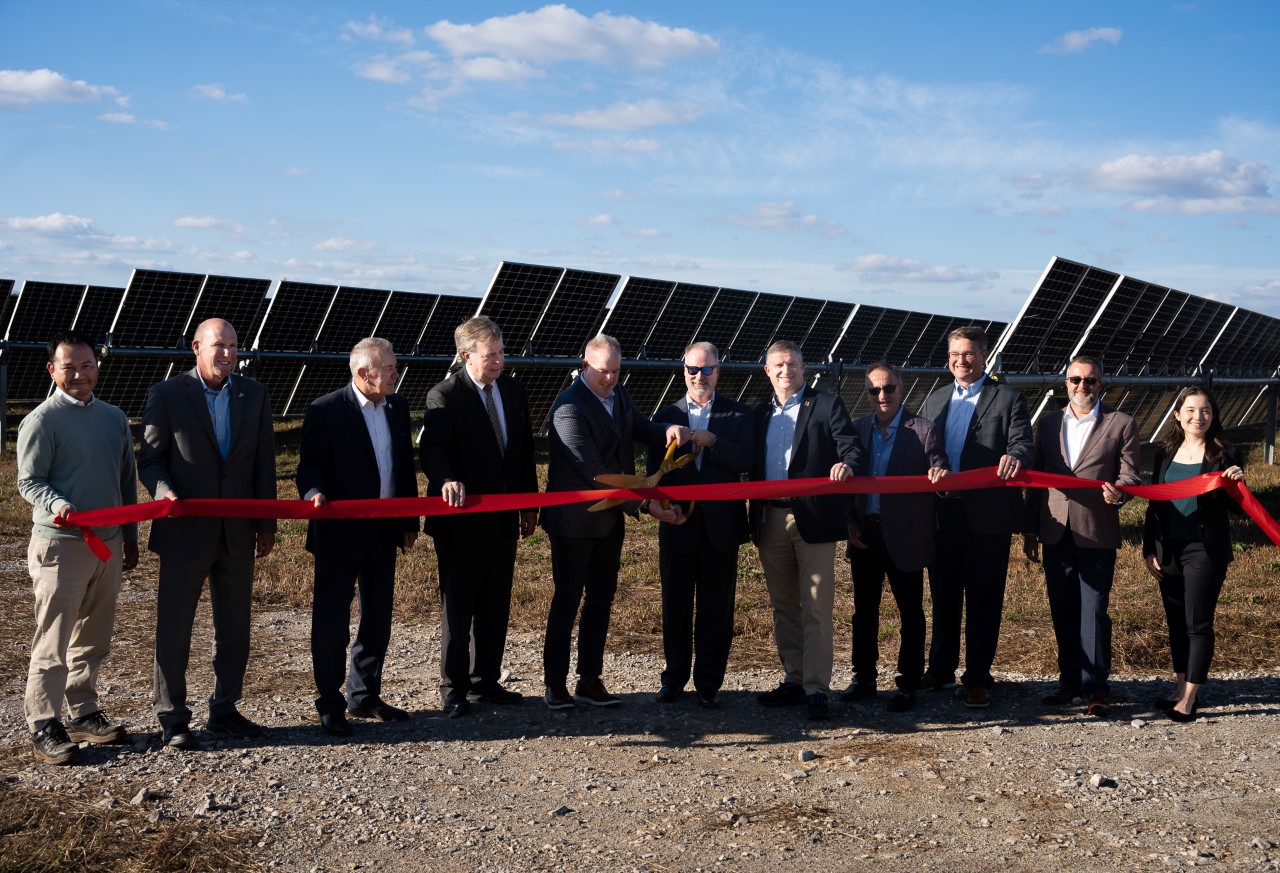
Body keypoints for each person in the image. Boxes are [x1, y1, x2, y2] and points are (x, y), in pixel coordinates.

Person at [139, 318, 276, 750]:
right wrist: (164, 491)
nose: (229, 354)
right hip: (184, 532)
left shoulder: (254, 394)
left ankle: (225, 710)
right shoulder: (167, 394)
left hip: (237, 533)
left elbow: (264, 462)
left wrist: (266, 523)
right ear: (196, 347)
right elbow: (150, 460)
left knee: (234, 628)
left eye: (234, 346)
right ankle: (172, 717)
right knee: (175, 629)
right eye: (220, 345)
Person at [540, 334, 691, 710]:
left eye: (616, 371)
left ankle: (589, 680)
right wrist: (645, 506)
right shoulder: (568, 409)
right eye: (603, 371)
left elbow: (639, 427)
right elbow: (596, 474)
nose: (610, 378)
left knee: (601, 600)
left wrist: (665, 431)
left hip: (609, 521)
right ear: (584, 366)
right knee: (567, 601)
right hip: (575, 523)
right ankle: (555, 685)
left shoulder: (617, 394)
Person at [17, 331, 140, 765]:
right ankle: (43, 722)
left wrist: (130, 536)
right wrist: (58, 504)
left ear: (97, 367)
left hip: (107, 544)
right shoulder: (41, 421)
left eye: (87, 365)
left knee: (93, 635)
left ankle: (84, 711)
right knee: (53, 637)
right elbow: (29, 481)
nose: (79, 374)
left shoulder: (113, 418)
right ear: (52, 370)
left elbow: (126, 480)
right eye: (69, 367)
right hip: (61, 546)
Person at [296, 337, 420, 737]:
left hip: (384, 529)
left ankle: (364, 694)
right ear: (364, 373)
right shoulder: (326, 410)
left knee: (378, 615)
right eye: (390, 368)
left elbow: (403, 466)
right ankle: (330, 703)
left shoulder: (397, 407)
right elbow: (309, 467)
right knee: (332, 619)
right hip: (339, 531)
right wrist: (313, 493)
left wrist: (409, 520)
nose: (396, 374)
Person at [421, 317, 538, 718]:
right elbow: (433, 449)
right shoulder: (445, 395)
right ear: (466, 356)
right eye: (491, 355)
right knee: (459, 606)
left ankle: (485, 679)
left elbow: (523, 452)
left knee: (495, 601)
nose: (499, 362)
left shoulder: (513, 390)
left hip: (504, 517)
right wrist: (445, 479)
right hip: (461, 521)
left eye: (502, 353)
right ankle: (453, 687)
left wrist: (529, 504)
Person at [917, 325, 1032, 708]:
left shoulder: (1008, 397)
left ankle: (978, 677)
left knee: (984, 598)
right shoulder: (935, 400)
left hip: (988, 515)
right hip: (942, 512)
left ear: (984, 355)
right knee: (943, 595)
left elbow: (1022, 442)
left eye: (968, 354)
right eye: (954, 354)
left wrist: (1015, 456)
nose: (960, 361)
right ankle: (940, 669)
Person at [751, 339, 862, 721]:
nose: (787, 371)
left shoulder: (827, 405)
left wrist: (847, 465)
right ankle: (794, 680)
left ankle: (816, 688)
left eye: (793, 364)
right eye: (779, 365)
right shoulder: (759, 413)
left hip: (814, 519)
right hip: (769, 518)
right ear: (767, 370)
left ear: (804, 367)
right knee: (783, 605)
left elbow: (852, 448)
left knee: (816, 607)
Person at [1023, 357, 1140, 718]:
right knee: (1062, 609)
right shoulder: (1047, 424)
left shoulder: (1121, 423)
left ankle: (1096, 687)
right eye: (1075, 379)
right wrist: (1030, 528)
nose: (1082, 386)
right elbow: (1035, 478)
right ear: (1066, 383)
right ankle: (1069, 681)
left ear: (1100, 384)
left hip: (1096, 530)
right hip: (1055, 529)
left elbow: (1131, 475)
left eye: (1090, 380)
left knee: (1094, 611)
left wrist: (1120, 493)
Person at [646, 342, 753, 709]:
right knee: (675, 607)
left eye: (707, 369)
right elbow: (653, 472)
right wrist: (661, 507)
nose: (699, 376)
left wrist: (714, 442)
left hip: (721, 529)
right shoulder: (666, 415)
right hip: (678, 524)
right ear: (684, 371)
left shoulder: (738, 414)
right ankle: (673, 680)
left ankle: (708, 684)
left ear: (717, 372)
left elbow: (746, 460)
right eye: (693, 369)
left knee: (716, 610)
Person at [843, 362, 948, 713]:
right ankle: (864, 677)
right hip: (865, 533)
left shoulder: (923, 429)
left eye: (888, 388)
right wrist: (850, 522)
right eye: (874, 390)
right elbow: (847, 484)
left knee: (910, 612)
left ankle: (909, 683)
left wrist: (939, 472)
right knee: (864, 611)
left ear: (900, 389)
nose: (882, 395)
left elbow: (938, 464)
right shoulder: (857, 429)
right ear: (867, 394)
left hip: (906, 534)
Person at [1142, 387, 1246, 723]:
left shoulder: (1226, 453)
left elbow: (1236, 508)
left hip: (1204, 550)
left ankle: (1189, 698)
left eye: (1205, 411)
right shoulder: (1165, 452)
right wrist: (1149, 548)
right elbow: (1155, 503)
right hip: (1168, 549)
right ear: (1177, 415)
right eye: (1190, 410)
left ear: (1213, 416)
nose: (1197, 417)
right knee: (1175, 621)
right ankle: (1179, 687)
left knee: (1197, 623)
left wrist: (1236, 485)